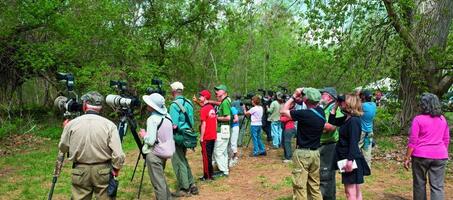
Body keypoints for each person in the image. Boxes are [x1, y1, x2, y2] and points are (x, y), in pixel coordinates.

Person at [58, 91, 125, 200]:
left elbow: (63, 147)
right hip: (103, 170)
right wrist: (116, 169)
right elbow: (118, 154)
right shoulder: (109, 125)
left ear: (84, 105)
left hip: (80, 170)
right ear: (100, 107)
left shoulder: (71, 124)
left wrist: (66, 128)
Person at [280, 87, 325, 200]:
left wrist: (294, 96)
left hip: (302, 154)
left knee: (300, 186)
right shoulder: (321, 112)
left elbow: (283, 111)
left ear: (306, 100)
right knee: (314, 186)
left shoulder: (304, 114)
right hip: (315, 153)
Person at [403, 93, 450, 200]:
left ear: (423, 105)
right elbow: (446, 139)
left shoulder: (418, 119)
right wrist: (441, 152)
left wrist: (407, 158)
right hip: (440, 156)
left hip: (421, 156)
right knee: (437, 187)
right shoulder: (442, 119)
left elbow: (413, 141)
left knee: (419, 184)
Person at [329, 94, 370, 200]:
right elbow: (332, 121)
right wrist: (334, 107)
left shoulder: (353, 121)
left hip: (350, 158)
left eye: (342, 102)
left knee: (350, 192)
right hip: (347, 156)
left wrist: (350, 161)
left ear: (348, 104)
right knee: (355, 190)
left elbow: (353, 142)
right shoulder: (347, 118)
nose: (340, 103)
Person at [140, 93, 174, 200]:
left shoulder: (152, 119)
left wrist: (144, 135)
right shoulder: (167, 116)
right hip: (165, 152)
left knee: (158, 184)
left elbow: (150, 141)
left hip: (154, 154)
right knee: (161, 180)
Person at [168, 81, 198, 197]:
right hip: (188, 135)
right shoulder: (189, 103)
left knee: (178, 161)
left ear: (173, 92)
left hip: (178, 136)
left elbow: (174, 125)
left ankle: (184, 188)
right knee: (183, 160)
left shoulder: (174, 105)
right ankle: (192, 185)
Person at [319, 87, 343, 200]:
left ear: (329, 97)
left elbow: (332, 127)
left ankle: (328, 197)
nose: (320, 96)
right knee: (322, 173)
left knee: (326, 174)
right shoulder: (325, 108)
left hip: (329, 146)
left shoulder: (334, 109)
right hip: (323, 145)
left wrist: (314, 126)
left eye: (322, 94)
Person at [197, 90, 217, 181]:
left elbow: (203, 124)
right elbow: (215, 122)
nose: (199, 97)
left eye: (200, 96)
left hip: (207, 136)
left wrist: (201, 137)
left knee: (206, 156)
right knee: (210, 155)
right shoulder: (211, 108)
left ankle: (207, 176)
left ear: (205, 97)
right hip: (213, 135)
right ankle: (210, 174)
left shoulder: (204, 109)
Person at [213, 84, 231, 177]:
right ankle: (225, 170)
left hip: (222, 129)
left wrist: (216, 118)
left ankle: (223, 170)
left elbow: (228, 117)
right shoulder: (225, 101)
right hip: (224, 129)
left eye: (218, 90)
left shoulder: (225, 102)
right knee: (223, 151)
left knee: (218, 151)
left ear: (224, 92)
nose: (216, 92)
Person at [359, 90, 376, 168]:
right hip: (369, 131)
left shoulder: (362, 106)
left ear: (363, 97)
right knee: (367, 151)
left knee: (355, 148)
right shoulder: (374, 105)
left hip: (361, 131)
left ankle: (354, 166)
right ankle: (367, 168)